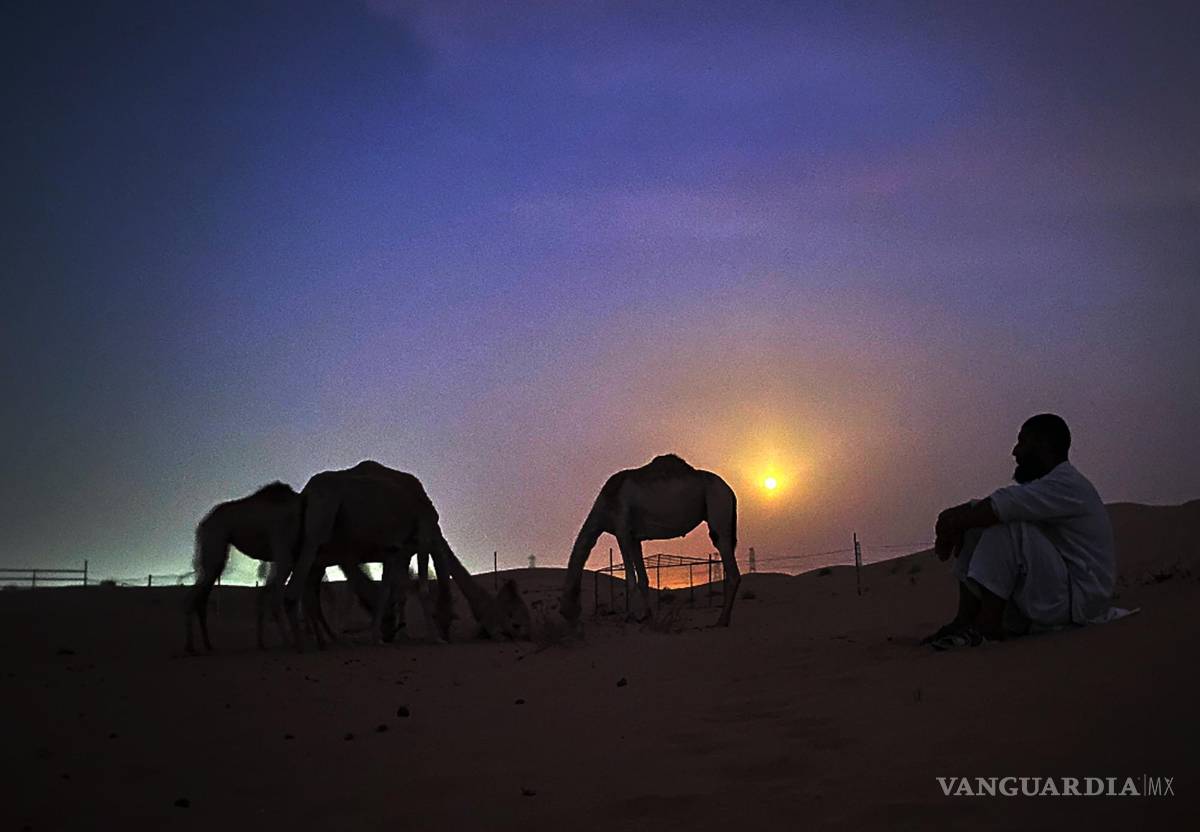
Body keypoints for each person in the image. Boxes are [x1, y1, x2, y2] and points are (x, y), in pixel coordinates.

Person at [925, 413, 1116, 650]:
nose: (1015, 452)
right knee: (977, 525)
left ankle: (987, 628)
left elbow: (1002, 506)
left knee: (1006, 525)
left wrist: (952, 522)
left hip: (1079, 604)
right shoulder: (1046, 487)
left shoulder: (1066, 483)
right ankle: (963, 622)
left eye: (1022, 442)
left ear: (1043, 445)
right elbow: (997, 505)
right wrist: (955, 520)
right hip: (1055, 597)